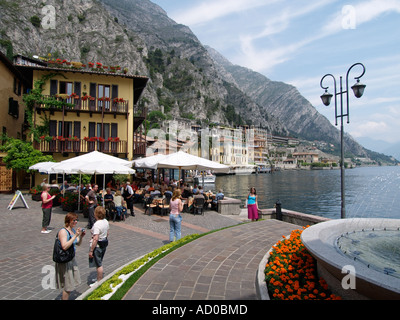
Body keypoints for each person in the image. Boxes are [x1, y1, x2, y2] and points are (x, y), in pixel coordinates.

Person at [55, 212, 85, 300]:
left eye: (76, 220)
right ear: (68, 221)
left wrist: (81, 236)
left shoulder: (73, 230)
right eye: (74, 220)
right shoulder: (63, 232)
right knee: (68, 286)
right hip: (65, 260)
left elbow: (77, 243)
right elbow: (64, 246)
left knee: (71, 283)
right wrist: (75, 236)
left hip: (71, 258)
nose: (76, 222)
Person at [89, 206, 109, 285]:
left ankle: (99, 281)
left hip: (98, 245)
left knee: (98, 264)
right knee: (100, 261)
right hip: (104, 242)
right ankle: (98, 277)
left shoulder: (97, 224)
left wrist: (91, 250)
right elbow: (107, 233)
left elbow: (96, 238)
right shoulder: (106, 221)